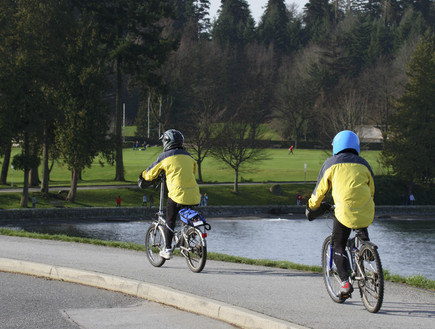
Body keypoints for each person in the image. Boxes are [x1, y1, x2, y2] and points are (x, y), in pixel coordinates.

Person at [305, 130, 375, 298]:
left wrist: (311, 206)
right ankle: (367, 248)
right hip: (366, 209)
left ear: (336, 146)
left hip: (344, 210)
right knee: (359, 228)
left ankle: (345, 283)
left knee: (338, 244)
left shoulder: (331, 163)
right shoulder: (364, 164)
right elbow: (372, 189)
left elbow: (319, 191)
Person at [138, 129, 201, 260]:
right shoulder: (189, 156)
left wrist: (142, 178)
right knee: (187, 216)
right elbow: (193, 171)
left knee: (170, 220)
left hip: (177, 194)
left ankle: (167, 249)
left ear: (167, 142)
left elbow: (150, 173)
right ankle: (189, 239)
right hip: (194, 194)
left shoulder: (165, 156)